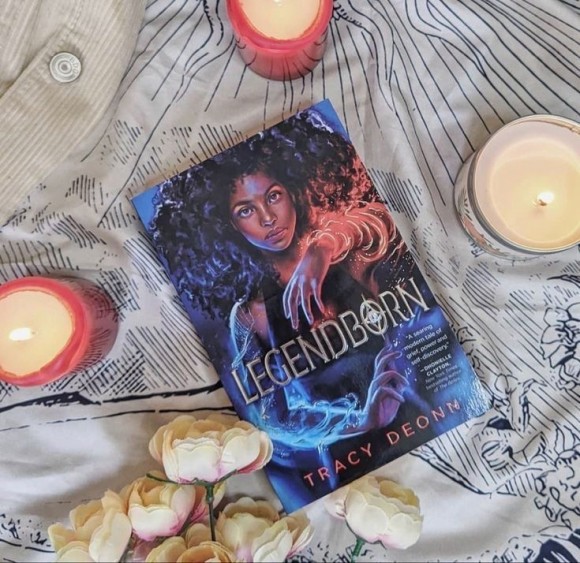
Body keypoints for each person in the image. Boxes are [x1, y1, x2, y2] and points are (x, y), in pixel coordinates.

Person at [150, 106, 417, 505]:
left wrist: (323, 247)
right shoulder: (250, 315)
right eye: (246, 210)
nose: (268, 218)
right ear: (228, 225)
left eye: (273, 196)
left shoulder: (344, 250)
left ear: (295, 191)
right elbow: (272, 418)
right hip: (343, 466)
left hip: (427, 412)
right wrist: (361, 421)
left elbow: (379, 223)